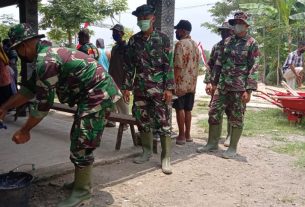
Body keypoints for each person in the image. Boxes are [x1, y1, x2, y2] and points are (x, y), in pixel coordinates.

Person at [0, 23, 120, 206]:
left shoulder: (46, 62)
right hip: (91, 95)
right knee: (78, 137)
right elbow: (29, 89)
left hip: (99, 94)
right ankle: (80, 182)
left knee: (82, 141)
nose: (20, 55)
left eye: (18, 49)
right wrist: (5, 107)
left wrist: (25, 130)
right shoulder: (46, 54)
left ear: (24, 46)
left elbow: (43, 106)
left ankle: (82, 192)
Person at [197, 12, 259, 159]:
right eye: (235, 22)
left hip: (239, 87)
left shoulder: (252, 43)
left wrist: (249, 90)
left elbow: (254, 67)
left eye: (240, 22)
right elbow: (218, 63)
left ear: (246, 25)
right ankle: (212, 143)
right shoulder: (227, 42)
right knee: (214, 112)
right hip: (222, 85)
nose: (237, 25)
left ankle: (232, 148)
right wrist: (213, 82)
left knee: (236, 117)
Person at [122, 4, 174, 174]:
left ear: (153, 18)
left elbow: (169, 65)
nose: (142, 21)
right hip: (140, 88)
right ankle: (146, 151)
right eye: (139, 19)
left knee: (163, 122)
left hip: (159, 89)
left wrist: (169, 88)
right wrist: (126, 87)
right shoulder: (133, 40)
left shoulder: (163, 39)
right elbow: (129, 66)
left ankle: (166, 158)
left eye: (145, 18)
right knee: (142, 120)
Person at [204, 22, 234, 147]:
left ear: (231, 32)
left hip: (232, 85)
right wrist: (208, 82)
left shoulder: (235, 46)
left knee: (232, 112)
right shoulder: (216, 47)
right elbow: (210, 65)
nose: (224, 33)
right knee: (215, 110)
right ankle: (214, 141)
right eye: (222, 31)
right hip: (217, 84)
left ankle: (230, 136)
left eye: (226, 31)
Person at [172, 20, 200, 145]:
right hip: (192, 83)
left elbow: (178, 66)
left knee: (180, 108)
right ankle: (188, 135)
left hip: (181, 83)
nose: (176, 32)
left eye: (177, 29)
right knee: (188, 109)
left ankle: (181, 136)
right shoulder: (195, 44)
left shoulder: (180, 44)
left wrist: (173, 82)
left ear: (183, 30)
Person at [108, 24, 129, 130]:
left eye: (117, 32)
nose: (115, 34)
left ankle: (125, 122)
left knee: (122, 103)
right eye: (114, 32)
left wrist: (127, 83)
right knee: (112, 100)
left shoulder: (126, 48)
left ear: (122, 34)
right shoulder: (115, 48)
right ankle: (112, 120)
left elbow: (128, 66)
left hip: (122, 80)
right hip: (112, 78)